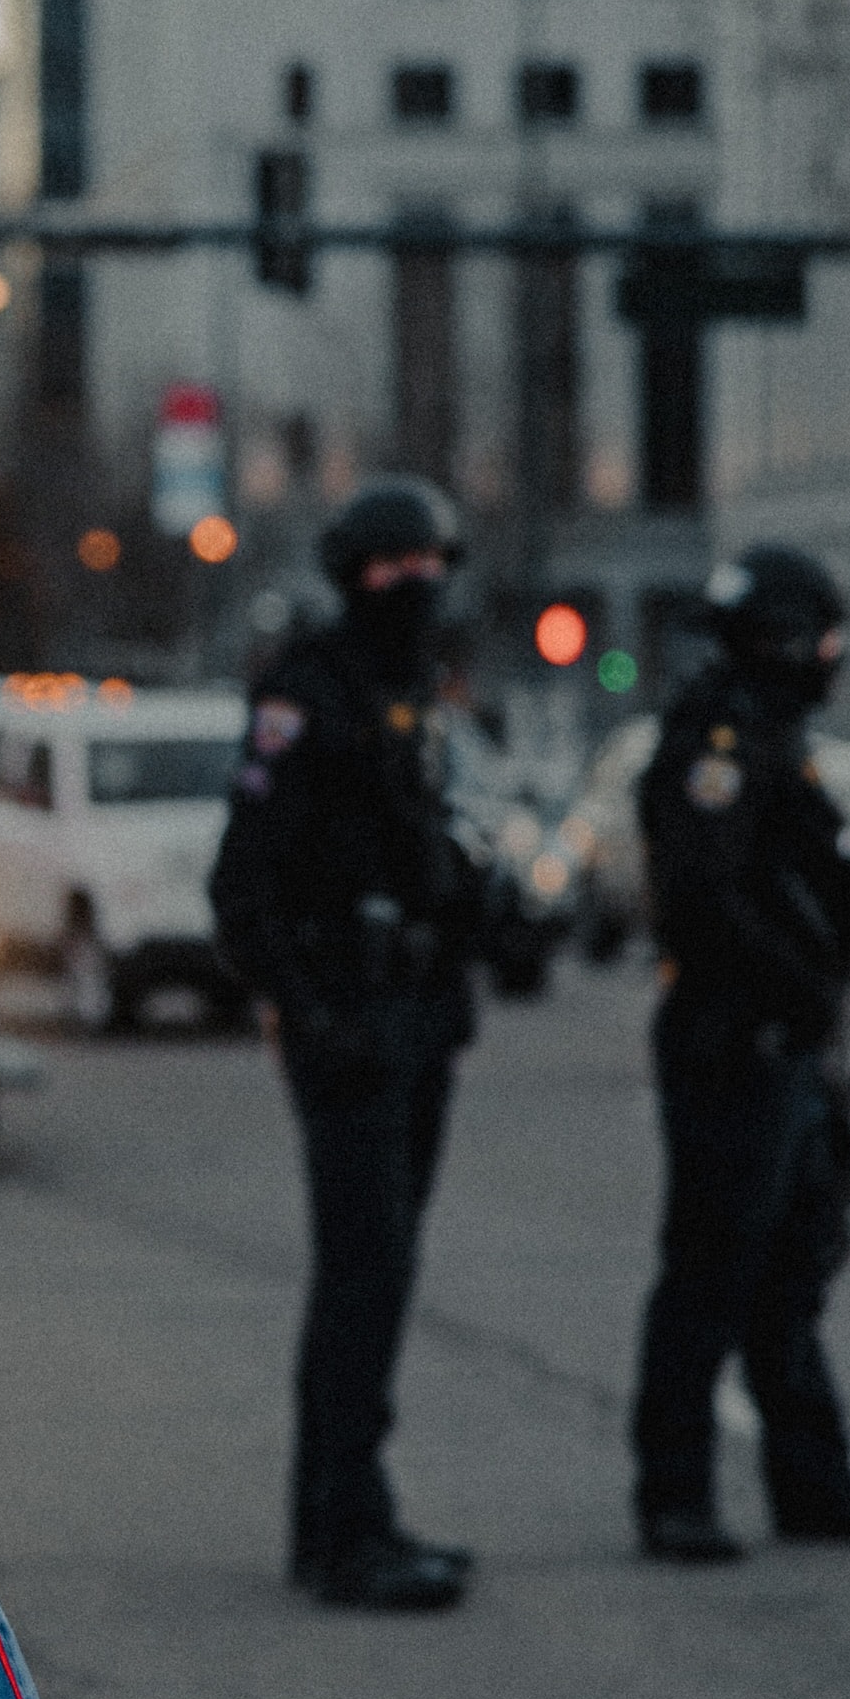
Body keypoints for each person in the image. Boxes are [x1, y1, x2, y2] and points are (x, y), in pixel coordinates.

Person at [208, 477, 486, 1612]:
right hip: (349, 1025)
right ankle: (336, 1534)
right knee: (359, 1279)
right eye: (393, 567)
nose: (415, 586)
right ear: (351, 575)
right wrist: (307, 1010)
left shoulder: (409, 689)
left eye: (431, 566)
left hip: (416, 1018)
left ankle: (357, 1510)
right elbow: (244, 884)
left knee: (388, 1273)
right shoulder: (308, 694)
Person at [626, 543, 850, 1563]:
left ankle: (812, 1480)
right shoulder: (718, 741)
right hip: (733, 1041)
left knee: (793, 1271)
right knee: (710, 1270)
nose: (834, 656)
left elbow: (821, 875)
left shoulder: (772, 740)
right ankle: (675, 1490)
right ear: (783, 639)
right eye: (824, 638)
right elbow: (708, 902)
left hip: (785, 1043)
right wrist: (799, 978)